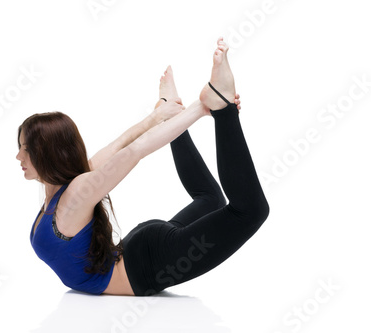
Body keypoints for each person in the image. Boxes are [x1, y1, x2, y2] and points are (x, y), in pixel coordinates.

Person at [16, 37, 269, 296]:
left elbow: (134, 151)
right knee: (210, 198)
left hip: (147, 264)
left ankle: (222, 105)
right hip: (139, 253)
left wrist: (201, 108)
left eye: (26, 149)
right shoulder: (64, 191)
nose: (18, 157)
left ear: (47, 153)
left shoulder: (74, 196)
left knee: (250, 211)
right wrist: (158, 116)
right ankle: (181, 107)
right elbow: (117, 146)